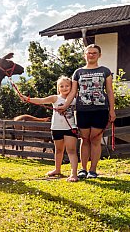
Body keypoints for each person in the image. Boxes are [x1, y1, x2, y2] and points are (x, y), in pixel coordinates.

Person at [58, 44, 116, 179]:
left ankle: (93, 170)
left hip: (100, 110)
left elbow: (110, 91)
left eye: (94, 53)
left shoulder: (105, 71)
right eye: (89, 53)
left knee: (95, 140)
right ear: (85, 55)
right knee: (85, 140)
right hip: (83, 110)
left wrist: (112, 110)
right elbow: (73, 92)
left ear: (99, 55)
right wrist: (66, 105)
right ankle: (83, 169)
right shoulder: (78, 72)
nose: (91, 55)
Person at [20, 76, 79, 182]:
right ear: (58, 88)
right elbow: (41, 100)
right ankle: (57, 169)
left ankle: (74, 174)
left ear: (72, 87)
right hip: (56, 128)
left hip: (70, 128)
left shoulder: (74, 99)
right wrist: (27, 99)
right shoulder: (55, 98)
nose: (64, 88)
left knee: (71, 151)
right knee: (59, 150)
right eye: (61, 86)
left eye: (67, 86)